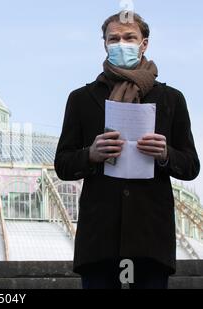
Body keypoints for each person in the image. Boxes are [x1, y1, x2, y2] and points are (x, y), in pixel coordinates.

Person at [54, 11, 200, 289]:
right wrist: (91, 154)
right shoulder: (81, 99)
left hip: (150, 237)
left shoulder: (171, 99)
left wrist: (166, 153)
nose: (121, 43)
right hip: (99, 239)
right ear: (105, 44)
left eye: (129, 37)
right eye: (114, 38)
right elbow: (63, 164)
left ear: (144, 43)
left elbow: (191, 165)